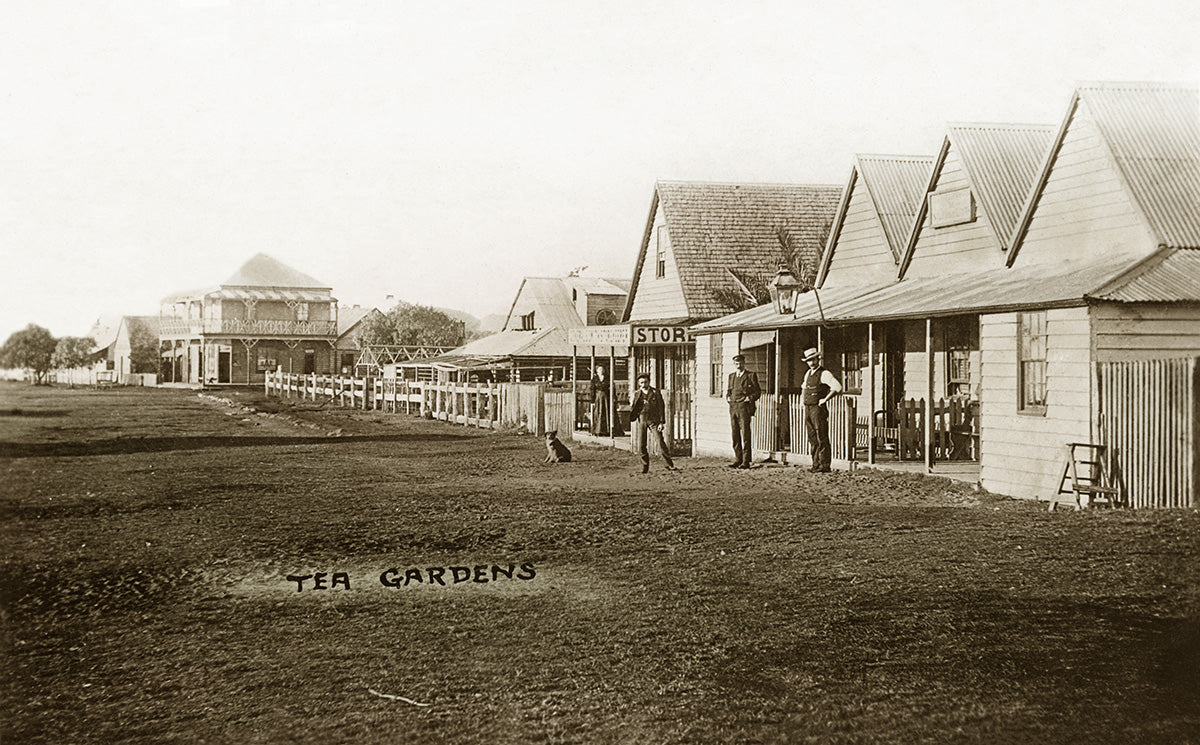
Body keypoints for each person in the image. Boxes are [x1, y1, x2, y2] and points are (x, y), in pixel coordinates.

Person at [802, 347, 842, 473]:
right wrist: (803, 401)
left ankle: (824, 465)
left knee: (821, 436)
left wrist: (825, 399)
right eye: (808, 360)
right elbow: (804, 388)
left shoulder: (824, 373)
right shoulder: (808, 373)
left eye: (813, 359)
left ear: (817, 359)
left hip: (818, 409)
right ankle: (815, 464)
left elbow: (837, 387)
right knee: (812, 437)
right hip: (808, 408)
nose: (811, 363)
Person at [629, 373, 674, 474]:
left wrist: (661, 422)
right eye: (641, 382)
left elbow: (661, 408)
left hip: (653, 420)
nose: (643, 384)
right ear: (638, 384)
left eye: (645, 382)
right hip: (642, 419)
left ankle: (669, 464)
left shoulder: (655, 392)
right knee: (641, 444)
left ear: (649, 382)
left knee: (659, 441)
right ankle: (644, 466)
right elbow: (633, 407)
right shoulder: (637, 394)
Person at [725, 353, 761, 469]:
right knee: (735, 434)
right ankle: (738, 459)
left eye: (740, 363)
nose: (738, 365)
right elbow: (729, 391)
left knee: (745, 434)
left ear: (744, 363)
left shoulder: (750, 376)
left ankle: (746, 461)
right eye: (736, 363)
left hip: (744, 408)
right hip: (733, 407)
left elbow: (757, 392)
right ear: (734, 364)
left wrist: (748, 398)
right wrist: (728, 397)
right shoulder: (731, 376)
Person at [590, 365, 620, 436]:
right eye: (599, 370)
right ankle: (598, 430)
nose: (601, 371)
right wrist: (592, 401)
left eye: (602, 369)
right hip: (598, 398)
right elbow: (592, 390)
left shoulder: (608, 378)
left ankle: (608, 430)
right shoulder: (595, 379)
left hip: (607, 398)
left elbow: (613, 389)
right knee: (598, 413)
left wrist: (614, 398)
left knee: (607, 413)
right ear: (597, 371)